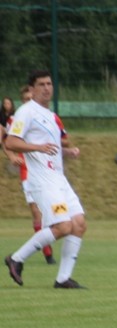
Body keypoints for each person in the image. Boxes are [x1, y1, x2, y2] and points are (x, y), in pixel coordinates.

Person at [4, 70, 87, 289]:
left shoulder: (50, 115)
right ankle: (17, 258)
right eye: (41, 84)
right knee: (63, 226)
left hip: (58, 179)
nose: (47, 88)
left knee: (79, 224)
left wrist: (65, 152)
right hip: (42, 180)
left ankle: (62, 279)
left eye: (49, 83)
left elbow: (52, 146)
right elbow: (11, 142)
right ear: (31, 89)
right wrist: (37, 147)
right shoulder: (26, 112)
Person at [2, 85, 55, 265]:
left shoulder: (46, 118)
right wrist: (11, 156)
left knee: (58, 216)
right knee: (37, 212)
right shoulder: (16, 120)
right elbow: (6, 141)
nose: (28, 103)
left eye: (30, 99)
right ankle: (48, 254)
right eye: (25, 100)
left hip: (48, 172)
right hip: (28, 173)